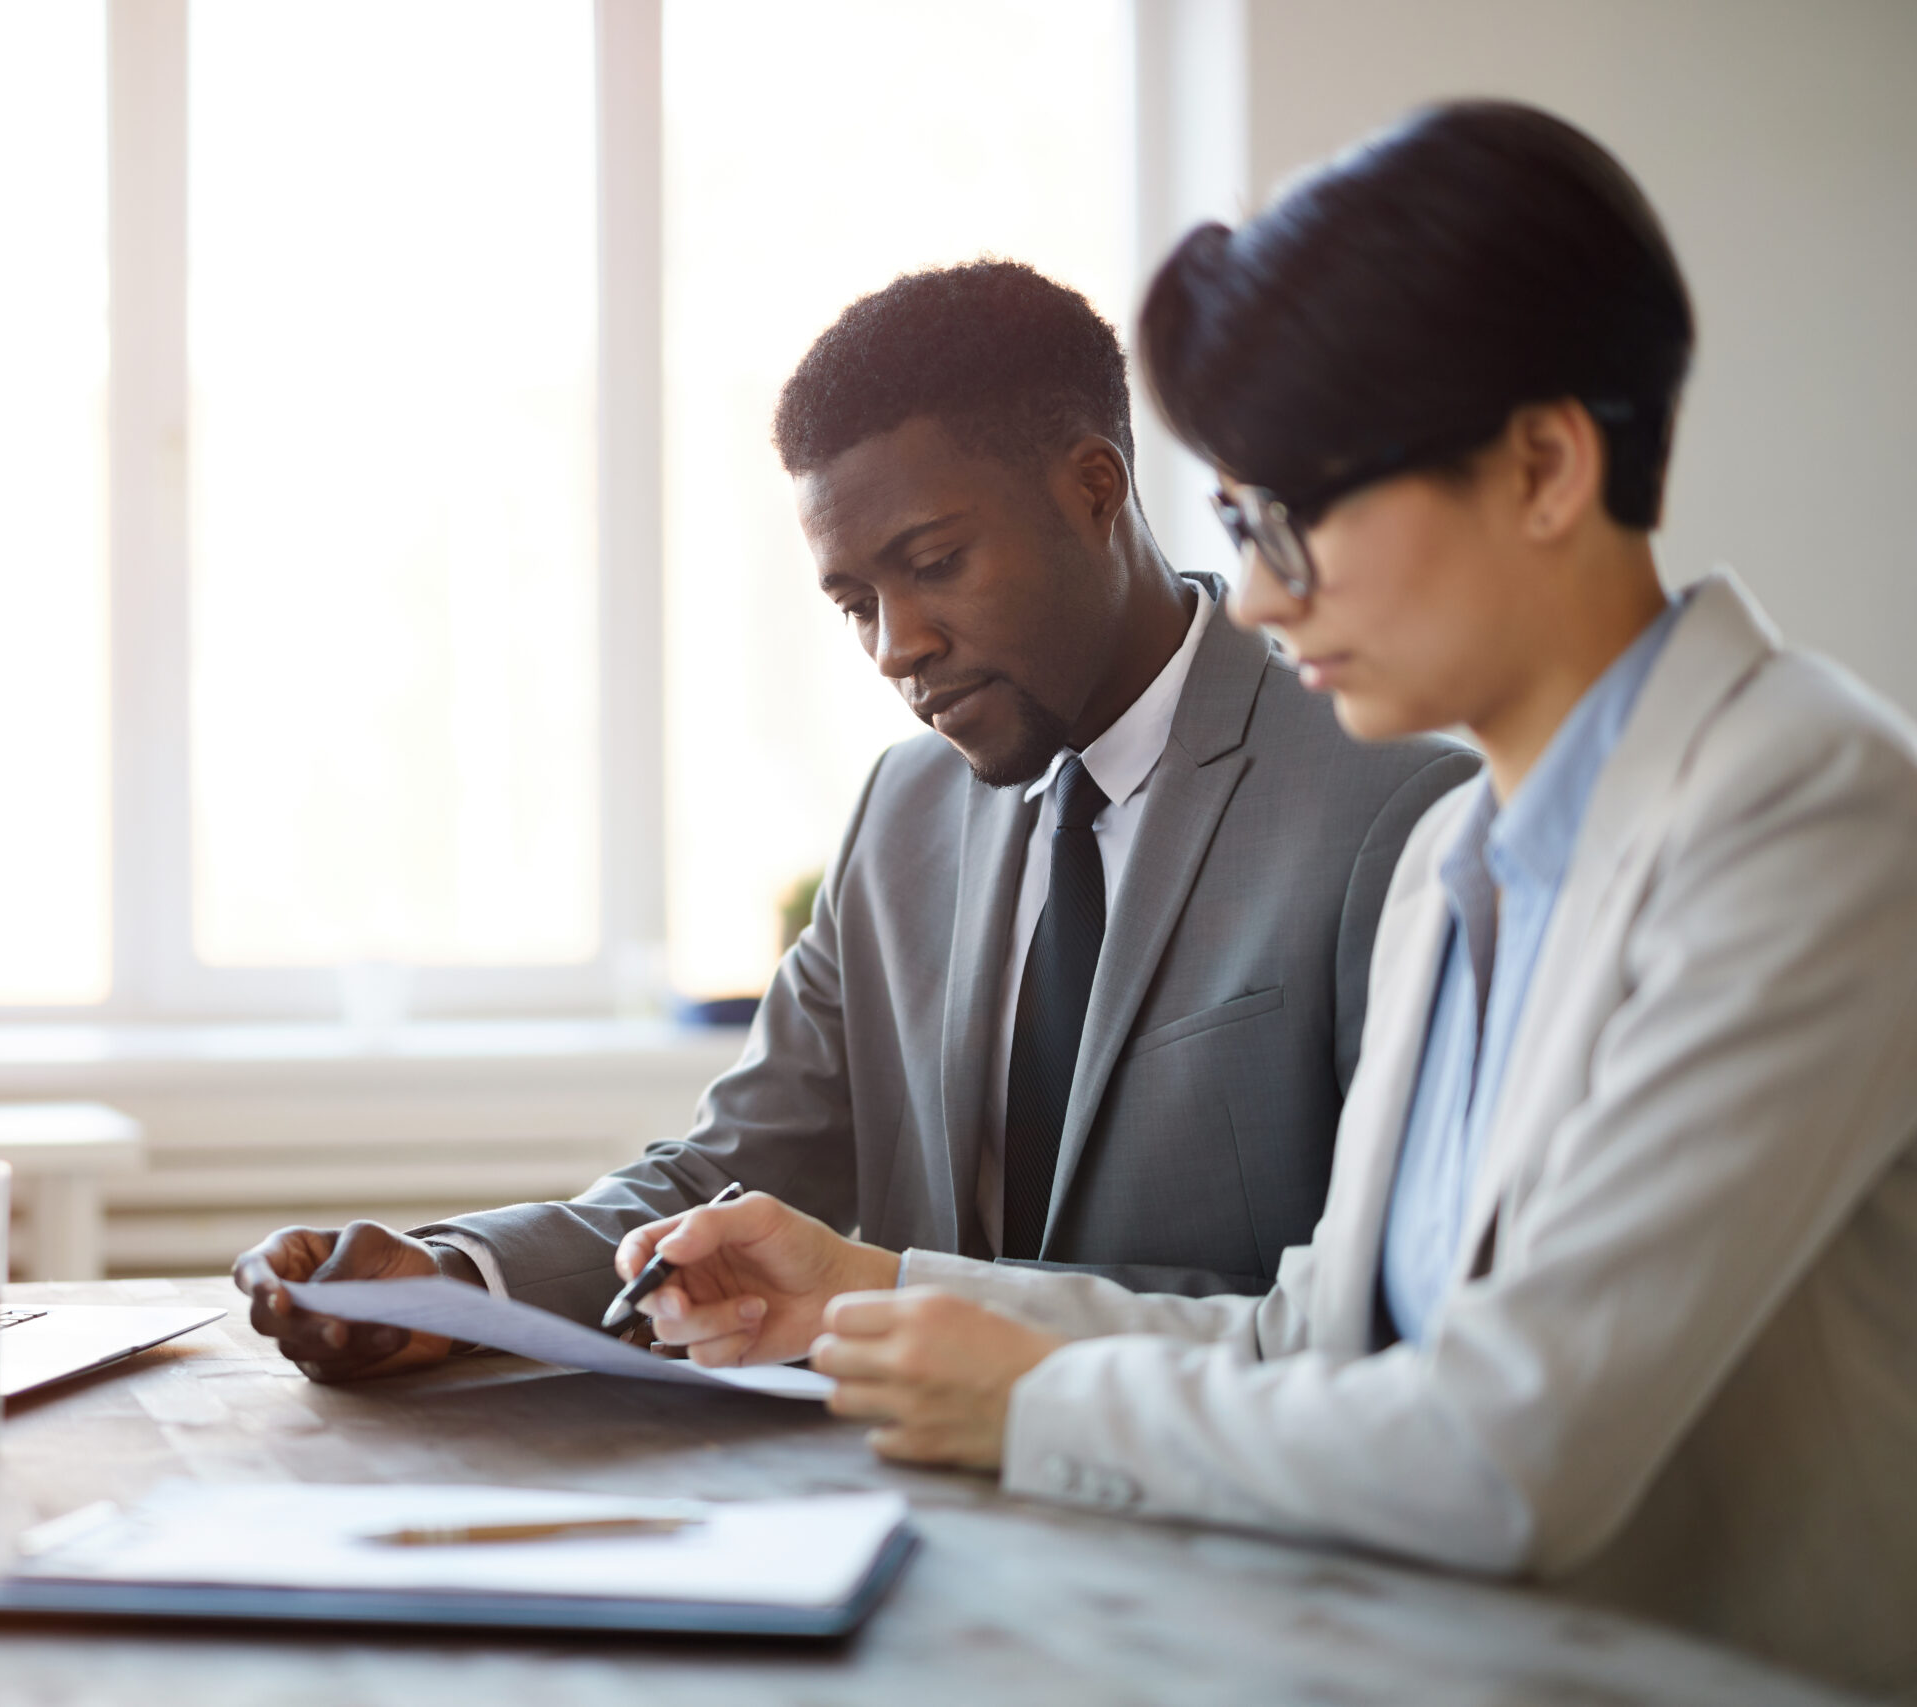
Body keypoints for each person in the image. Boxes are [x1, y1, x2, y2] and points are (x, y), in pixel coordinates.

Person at [621, 103, 1917, 1693]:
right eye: (1240, 523)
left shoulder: (1812, 805)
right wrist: (886, 1288)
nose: (1262, 592)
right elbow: (1313, 1343)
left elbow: (1509, 1447)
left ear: (1544, 465)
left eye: (1299, 515)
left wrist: (1032, 1404)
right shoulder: (1468, 857)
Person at [236, 262, 1473, 1379]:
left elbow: (1367, 1316)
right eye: (852, 603)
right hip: (902, 1507)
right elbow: (737, 1170)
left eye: (932, 564)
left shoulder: (1391, 802)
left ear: (1095, 488)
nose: (897, 647)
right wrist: (458, 1283)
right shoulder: (905, 811)